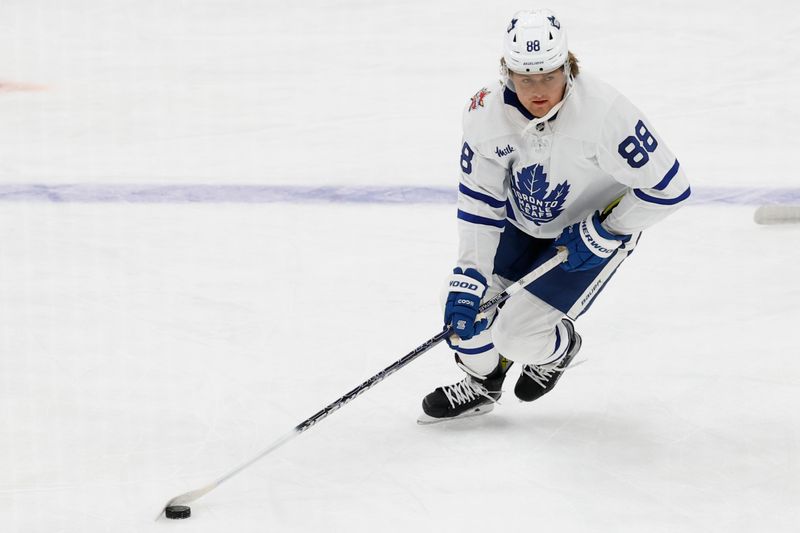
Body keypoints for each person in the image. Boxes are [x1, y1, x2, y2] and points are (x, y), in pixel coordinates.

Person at [418, 8, 691, 424]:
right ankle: (483, 383)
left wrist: (608, 230)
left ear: (568, 65)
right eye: (526, 78)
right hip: (522, 225)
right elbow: (480, 201)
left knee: (518, 336)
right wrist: (469, 274)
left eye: (549, 75)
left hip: (588, 236)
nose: (539, 89)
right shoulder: (484, 115)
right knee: (461, 306)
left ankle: (560, 349)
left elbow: (670, 188)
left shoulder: (605, 113)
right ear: (507, 72)